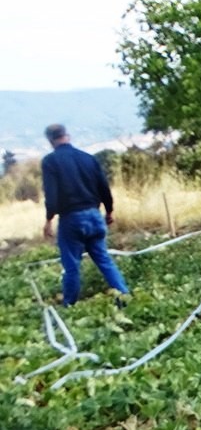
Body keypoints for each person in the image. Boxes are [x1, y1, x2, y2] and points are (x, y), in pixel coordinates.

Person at [40, 124, 130, 307]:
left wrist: (49, 220)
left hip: (71, 219)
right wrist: (109, 211)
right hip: (95, 215)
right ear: (67, 135)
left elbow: (52, 196)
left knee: (72, 266)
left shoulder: (50, 161)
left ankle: (70, 306)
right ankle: (125, 297)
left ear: (50, 140)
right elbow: (104, 188)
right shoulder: (88, 158)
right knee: (104, 260)